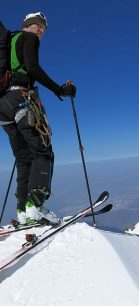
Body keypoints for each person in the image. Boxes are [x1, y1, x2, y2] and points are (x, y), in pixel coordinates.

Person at [0, 12, 76, 225]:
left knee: (23, 158)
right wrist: (58, 89)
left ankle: (23, 211)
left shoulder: (8, 41)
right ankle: (36, 206)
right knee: (42, 151)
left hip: (2, 106)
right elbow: (32, 68)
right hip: (20, 98)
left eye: (43, 27)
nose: (41, 29)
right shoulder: (28, 38)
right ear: (27, 25)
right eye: (37, 24)